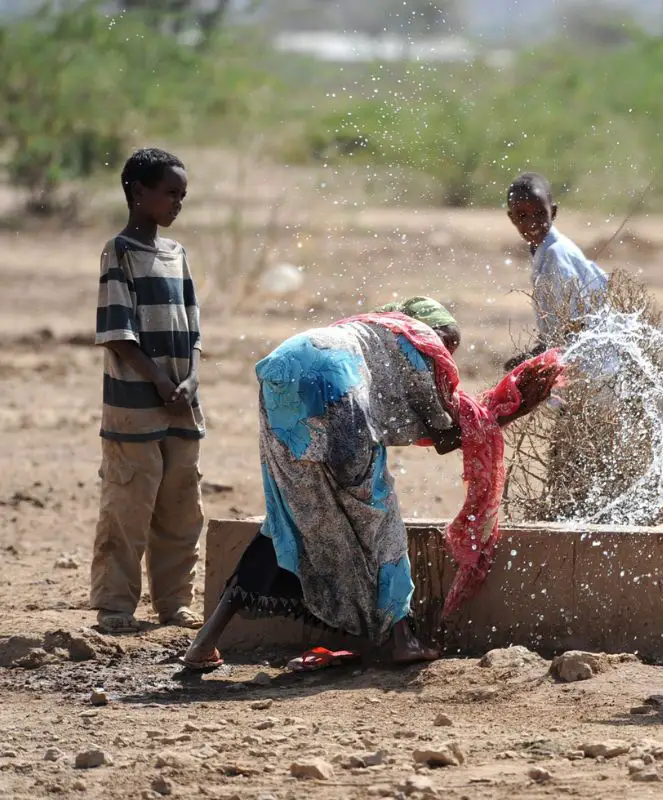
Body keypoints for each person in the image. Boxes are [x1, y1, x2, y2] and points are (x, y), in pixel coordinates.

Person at [182, 297, 560, 669]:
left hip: (283, 370)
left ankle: (204, 642)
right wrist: (509, 409)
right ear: (434, 331)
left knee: (288, 513)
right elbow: (446, 436)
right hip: (337, 387)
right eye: (449, 345)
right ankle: (402, 640)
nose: (447, 359)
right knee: (378, 514)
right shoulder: (420, 343)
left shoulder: (368, 331)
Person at [91, 147, 205, 634]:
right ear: (139, 193)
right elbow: (118, 334)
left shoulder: (176, 255)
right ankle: (115, 606)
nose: (177, 204)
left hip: (181, 403)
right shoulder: (118, 252)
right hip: (136, 405)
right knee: (128, 505)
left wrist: (190, 379)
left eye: (183, 196)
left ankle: (175, 603)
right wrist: (159, 381)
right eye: (170, 194)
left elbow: (193, 329)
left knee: (181, 506)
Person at [504, 172, 609, 370]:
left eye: (539, 213)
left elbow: (572, 327)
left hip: (591, 361)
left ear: (553, 212)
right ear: (512, 218)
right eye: (522, 216)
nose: (532, 223)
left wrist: (534, 357)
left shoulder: (555, 255)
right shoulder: (542, 249)